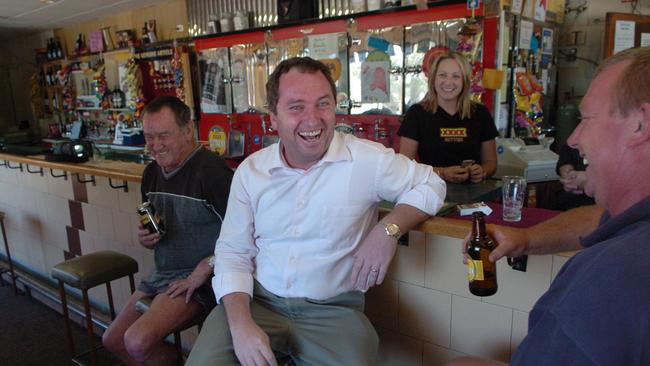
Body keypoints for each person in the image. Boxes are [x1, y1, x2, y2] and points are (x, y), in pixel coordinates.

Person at [186, 57, 447, 366]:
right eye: (296, 107)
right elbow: (233, 251)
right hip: (258, 301)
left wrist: (388, 229)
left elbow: (431, 184)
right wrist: (241, 326)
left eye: (322, 104)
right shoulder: (251, 172)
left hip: (333, 311)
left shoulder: (365, 159)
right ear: (273, 117)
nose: (312, 120)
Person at [452, 46, 650, 365]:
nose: (573, 139)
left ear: (640, 124)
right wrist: (527, 239)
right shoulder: (634, 227)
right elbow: (604, 218)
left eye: (586, 119)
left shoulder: (610, 277)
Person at [102, 96, 233, 365]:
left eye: (163, 135)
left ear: (188, 130)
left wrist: (204, 268)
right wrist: (147, 238)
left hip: (204, 278)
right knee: (113, 340)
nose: (155, 146)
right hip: (164, 273)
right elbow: (151, 226)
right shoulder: (151, 172)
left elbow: (244, 235)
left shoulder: (213, 172)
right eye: (149, 137)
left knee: (136, 341)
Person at [398, 51, 498, 183]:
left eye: (456, 76)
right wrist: (442, 173)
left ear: (465, 81)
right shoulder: (417, 113)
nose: (448, 82)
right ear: (433, 79)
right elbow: (404, 166)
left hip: (473, 198)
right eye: (442, 75)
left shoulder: (480, 113)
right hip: (430, 193)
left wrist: (482, 171)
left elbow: (491, 163)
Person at [554, 142, 595, 210]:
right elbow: (569, 147)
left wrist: (590, 179)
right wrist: (566, 170)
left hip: (602, 207)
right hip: (571, 199)